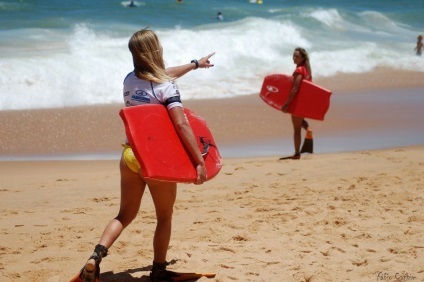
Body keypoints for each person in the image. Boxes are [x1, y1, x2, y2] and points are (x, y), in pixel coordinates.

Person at [73, 28, 215, 282]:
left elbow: (162, 75)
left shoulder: (129, 79)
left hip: (130, 156)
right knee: (164, 216)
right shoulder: (166, 87)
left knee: (124, 215)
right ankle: (159, 270)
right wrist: (199, 161)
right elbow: (182, 125)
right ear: (155, 50)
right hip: (155, 161)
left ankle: (95, 258)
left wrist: (195, 64)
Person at [281, 47, 313, 160]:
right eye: (293, 55)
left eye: (297, 56)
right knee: (300, 123)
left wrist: (286, 104)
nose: (294, 58)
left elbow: (295, 89)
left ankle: (296, 153)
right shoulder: (307, 71)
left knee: (296, 130)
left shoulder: (299, 70)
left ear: (303, 58)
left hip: (297, 103)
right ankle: (308, 129)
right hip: (304, 103)